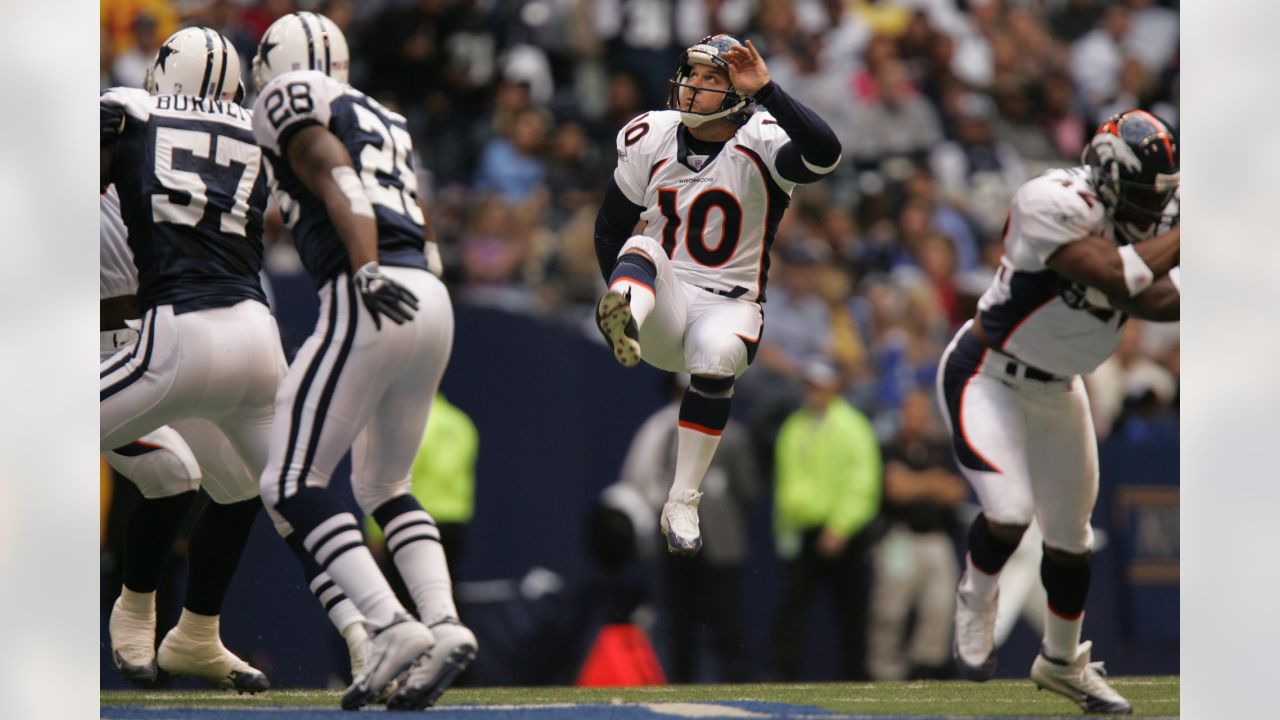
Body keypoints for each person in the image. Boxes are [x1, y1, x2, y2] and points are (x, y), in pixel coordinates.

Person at [249, 12, 474, 711]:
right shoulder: (386, 115)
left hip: (369, 285)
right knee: (384, 484)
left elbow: (332, 170)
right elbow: (418, 214)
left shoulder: (289, 101)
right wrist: (410, 271)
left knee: (289, 479)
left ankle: (387, 625)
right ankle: (440, 623)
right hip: (430, 293)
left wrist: (367, 266)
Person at [937, 110, 1180, 714]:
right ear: (1109, 177)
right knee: (1011, 512)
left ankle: (1062, 661)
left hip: (1061, 388)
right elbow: (1116, 275)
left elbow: (1156, 300)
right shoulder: (1051, 200)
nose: (1158, 208)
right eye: (1148, 193)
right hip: (987, 374)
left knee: (1073, 538)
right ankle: (975, 595)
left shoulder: (1156, 218)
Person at [593, 34, 841, 556]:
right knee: (642, 243)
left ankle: (683, 498)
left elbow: (826, 153)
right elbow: (609, 231)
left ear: (737, 93)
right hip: (661, 301)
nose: (694, 87)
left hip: (729, 305)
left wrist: (770, 90)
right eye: (692, 74)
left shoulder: (763, 137)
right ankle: (623, 319)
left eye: (711, 79)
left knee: (718, 353)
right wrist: (619, 293)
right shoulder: (652, 134)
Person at [99, 27, 286, 692]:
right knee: (174, 472)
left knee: (239, 483)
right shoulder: (122, 120)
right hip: (99, 347)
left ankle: (197, 635)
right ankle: (136, 607)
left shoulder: (140, 116)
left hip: (170, 336)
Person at [609, 374, 761, 682]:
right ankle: (681, 686)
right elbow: (639, 477)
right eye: (684, 391)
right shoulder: (663, 429)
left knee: (726, 622)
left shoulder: (732, 435)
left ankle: (738, 685)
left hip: (719, 542)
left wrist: (722, 514)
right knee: (678, 621)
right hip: (675, 540)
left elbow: (748, 490)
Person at [770, 360, 881, 680]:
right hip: (802, 532)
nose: (813, 391)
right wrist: (785, 530)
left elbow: (863, 481)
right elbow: (786, 484)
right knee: (791, 611)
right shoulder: (794, 426)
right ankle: (781, 676)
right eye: (809, 385)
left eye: (819, 384)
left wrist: (841, 526)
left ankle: (857, 677)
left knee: (851, 612)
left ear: (834, 386)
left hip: (840, 533)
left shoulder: (852, 426)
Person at [866, 388, 967, 681]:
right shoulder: (889, 448)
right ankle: (883, 671)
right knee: (890, 609)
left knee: (939, 607)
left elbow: (956, 492)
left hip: (936, 538)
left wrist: (916, 483)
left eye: (922, 411)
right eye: (912, 411)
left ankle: (926, 670)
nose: (917, 418)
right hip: (899, 537)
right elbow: (894, 489)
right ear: (902, 414)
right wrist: (933, 483)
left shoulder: (940, 448)